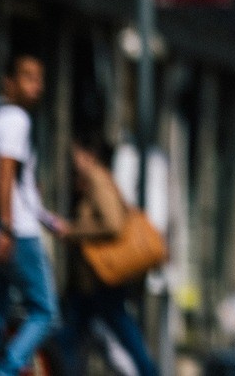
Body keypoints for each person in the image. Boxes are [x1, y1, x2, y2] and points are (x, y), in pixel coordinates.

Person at [0, 53, 60, 376]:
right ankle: (6, 371)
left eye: (39, 79)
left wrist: (48, 220)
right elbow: (6, 172)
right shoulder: (16, 119)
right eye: (27, 77)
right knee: (45, 311)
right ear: (8, 82)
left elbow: (17, 182)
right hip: (15, 232)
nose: (36, 86)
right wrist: (7, 228)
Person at [56, 137, 159, 376]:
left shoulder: (97, 178)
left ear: (89, 155)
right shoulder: (94, 179)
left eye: (77, 154)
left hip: (100, 276)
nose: (74, 160)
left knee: (121, 330)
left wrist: (72, 231)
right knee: (73, 334)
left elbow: (113, 224)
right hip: (91, 279)